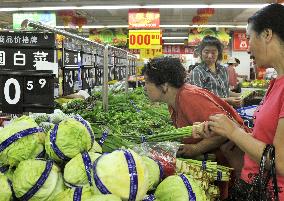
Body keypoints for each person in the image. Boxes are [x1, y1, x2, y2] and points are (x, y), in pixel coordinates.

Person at [193, 3, 284, 200]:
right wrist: (233, 133)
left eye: (249, 38)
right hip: (254, 184)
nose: (248, 46)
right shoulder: (275, 83)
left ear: (267, 34)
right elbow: (266, 139)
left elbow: (281, 162)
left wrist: (234, 132)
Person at [188, 36, 242, 108]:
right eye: (206, 52)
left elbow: (224, 91)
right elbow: (199, 99)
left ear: (218, 53)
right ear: (201, 52)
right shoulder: (197, 72)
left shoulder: (223, 70)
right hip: (209, 114)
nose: (210, 56)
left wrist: (239, 95)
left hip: (226, 112)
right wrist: (227, 100)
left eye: (213, 52)